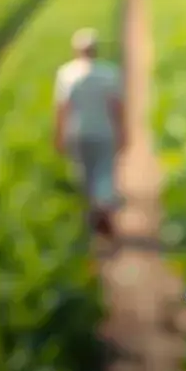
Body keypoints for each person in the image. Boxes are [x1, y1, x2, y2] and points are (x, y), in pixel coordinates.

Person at [53, 28, 126, 238]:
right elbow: (117, 106)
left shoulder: (67, 74)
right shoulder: (109, 73)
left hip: (77, 132)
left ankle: (91, 216)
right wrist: (123, 132)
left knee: (83, 173)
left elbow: (62, 109)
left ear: (77, 50)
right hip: (104, 131)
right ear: (95, 50)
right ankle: (102, 206)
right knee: (104, 172)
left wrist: (58, 135)